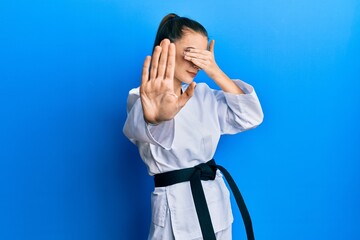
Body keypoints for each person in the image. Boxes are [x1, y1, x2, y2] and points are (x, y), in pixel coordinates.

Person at [123, 13, 263, 240]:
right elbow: (143, 129)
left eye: (202, 55)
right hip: (175, 211)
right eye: (189, 53)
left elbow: (250, 117)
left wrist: (215, 72)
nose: (196, 63)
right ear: (166, 49)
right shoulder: (141, 99)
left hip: (216, 202)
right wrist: (156, 118)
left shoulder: (204, 95)